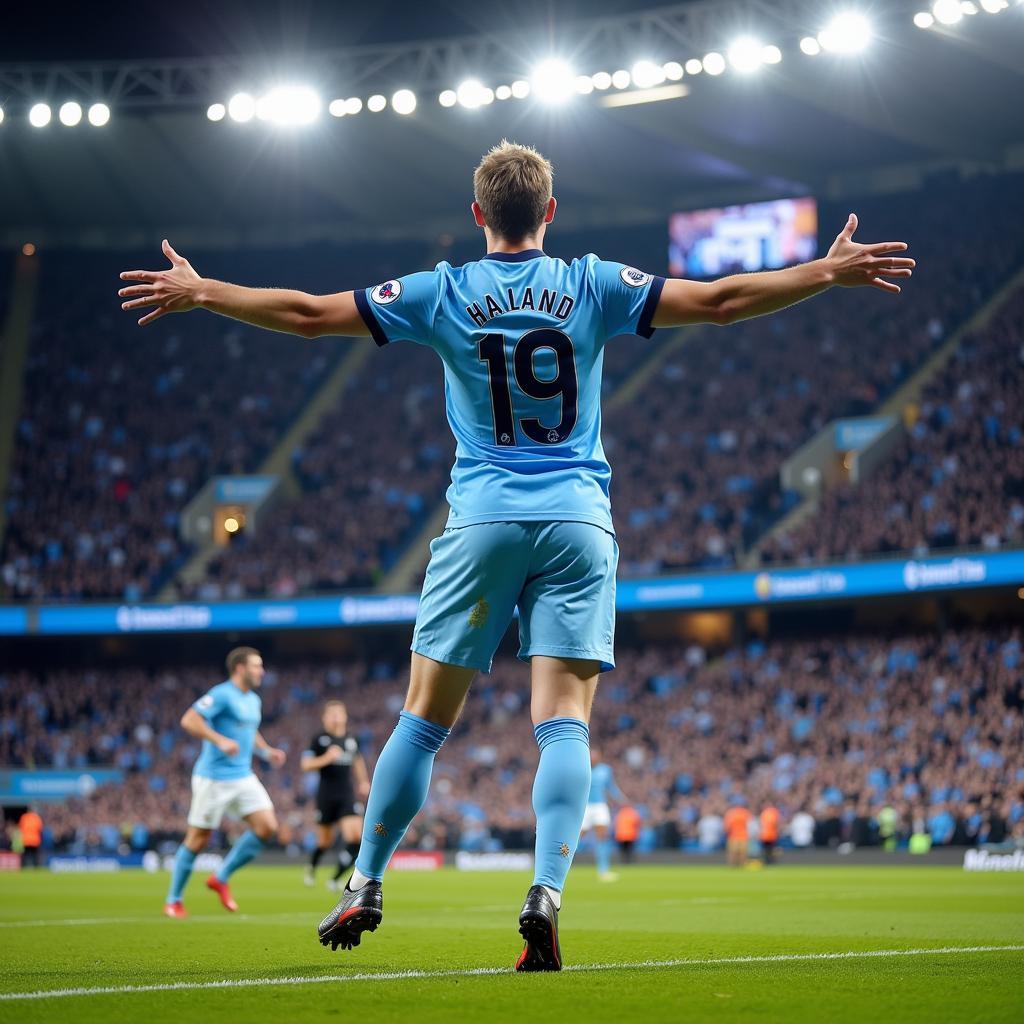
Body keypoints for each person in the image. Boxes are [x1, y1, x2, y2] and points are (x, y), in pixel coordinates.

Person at [119, 140, 914, 969]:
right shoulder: (592, 283)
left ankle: (365, 880)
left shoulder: (443, 291)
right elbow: (719, 301)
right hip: (578, 522)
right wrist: (823, 273)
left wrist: (202, 290)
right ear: (551, 213)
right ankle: (546, 890)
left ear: (477, 216)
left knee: (422, 722)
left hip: (483, 522)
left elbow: (311, 315)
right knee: (563, 720)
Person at [163, 647, 286, 918]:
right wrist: (219, 740)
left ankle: (221, 877)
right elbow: (189, 720)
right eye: (256, 666)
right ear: (240, 668)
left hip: (242, 775)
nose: (261, 671)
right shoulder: (221, 694)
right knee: (198, 839)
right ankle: (174, 900)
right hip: (214, 779)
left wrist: (266, 751)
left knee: (267, 826)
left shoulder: (253, 700)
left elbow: (249, 731)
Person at [301, 700, 370, 890]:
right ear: (324, 718)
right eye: (331, 714)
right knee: (325, 841)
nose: (335, 717)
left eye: (338, 713)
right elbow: (306, 765)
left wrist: (363, 781)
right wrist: (326, 758)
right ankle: (312, 867)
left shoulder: (351, 739)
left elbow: (357, 760)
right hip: (326, 796)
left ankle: (336, 878)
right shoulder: (319, 739)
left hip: (347, 795)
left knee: (355, 838)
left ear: (345, 717)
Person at [581, 748, 626, 881]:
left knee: (603, 838)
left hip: (600, 806)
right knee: (576, 838)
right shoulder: (582, 769)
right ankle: (560, 868)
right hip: (585, 807)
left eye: (594, 755)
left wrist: (621, 799)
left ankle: (603, 871)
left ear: (599, 757)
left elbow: (611, 787)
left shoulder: (606, 770)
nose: (592, 758)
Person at [724, 799, 752, 868]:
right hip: (743, 836)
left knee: (733, 853)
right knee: (743, 853)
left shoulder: (730, 813)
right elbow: (750, 825)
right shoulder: (746, 813)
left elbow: (727, 827)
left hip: (733, 836)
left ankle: (733, 866)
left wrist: (727, 833)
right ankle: (742, 866)